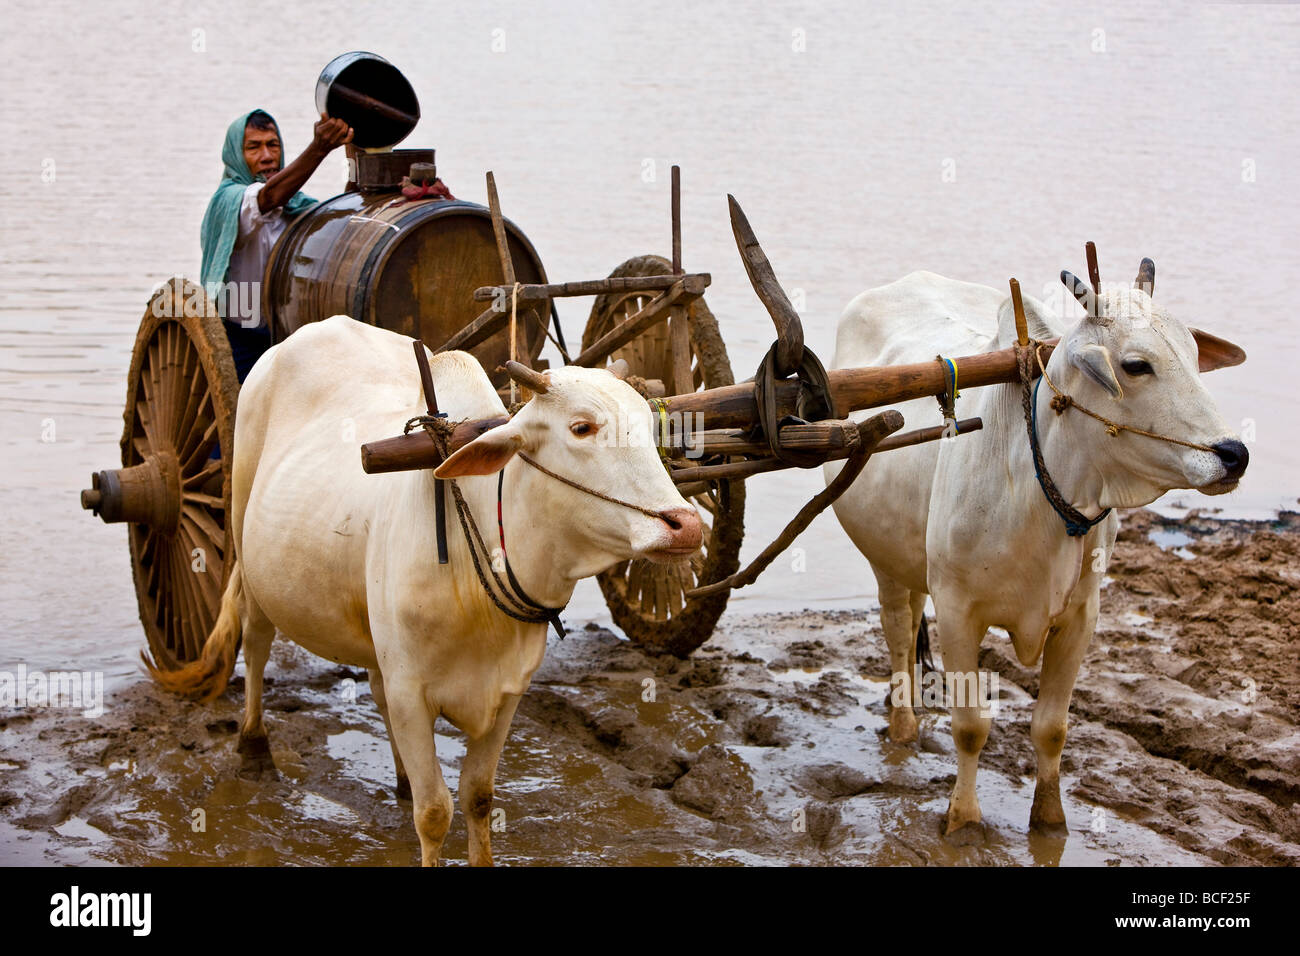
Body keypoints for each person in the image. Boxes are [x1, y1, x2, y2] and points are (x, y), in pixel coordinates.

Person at [199, 109, 353, 382]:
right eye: (253, 147)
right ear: (236, 155)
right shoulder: (232, 200)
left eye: (273, 145)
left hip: (287, 338)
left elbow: (339, 221)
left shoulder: (295, 205)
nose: (267, 156)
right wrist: (319, 148)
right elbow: (269, 196)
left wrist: (352, 151)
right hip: (239, 341)